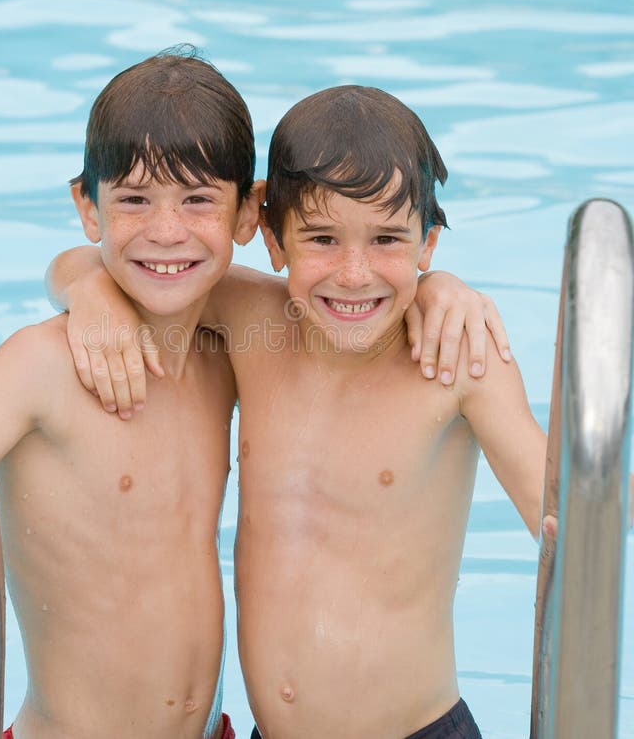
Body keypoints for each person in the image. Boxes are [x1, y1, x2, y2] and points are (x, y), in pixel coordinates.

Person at [44, 85, 547, 739]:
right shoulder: (255, 318)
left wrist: (451, 292)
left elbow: (567, 514)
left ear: (428, 245)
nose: (354, 272)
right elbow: (120, 260)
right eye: (322, 239)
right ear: (275, 241)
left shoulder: (456, 359)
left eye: (389, 239)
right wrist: (88, 290)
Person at [0, 50, 264, 739]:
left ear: (249, 212)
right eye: (133, 199)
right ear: (88, 207)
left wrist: (441, 295)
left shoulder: (227, 354)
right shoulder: (41, 366)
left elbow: (355, 304)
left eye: (197, 199)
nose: (166, 231)